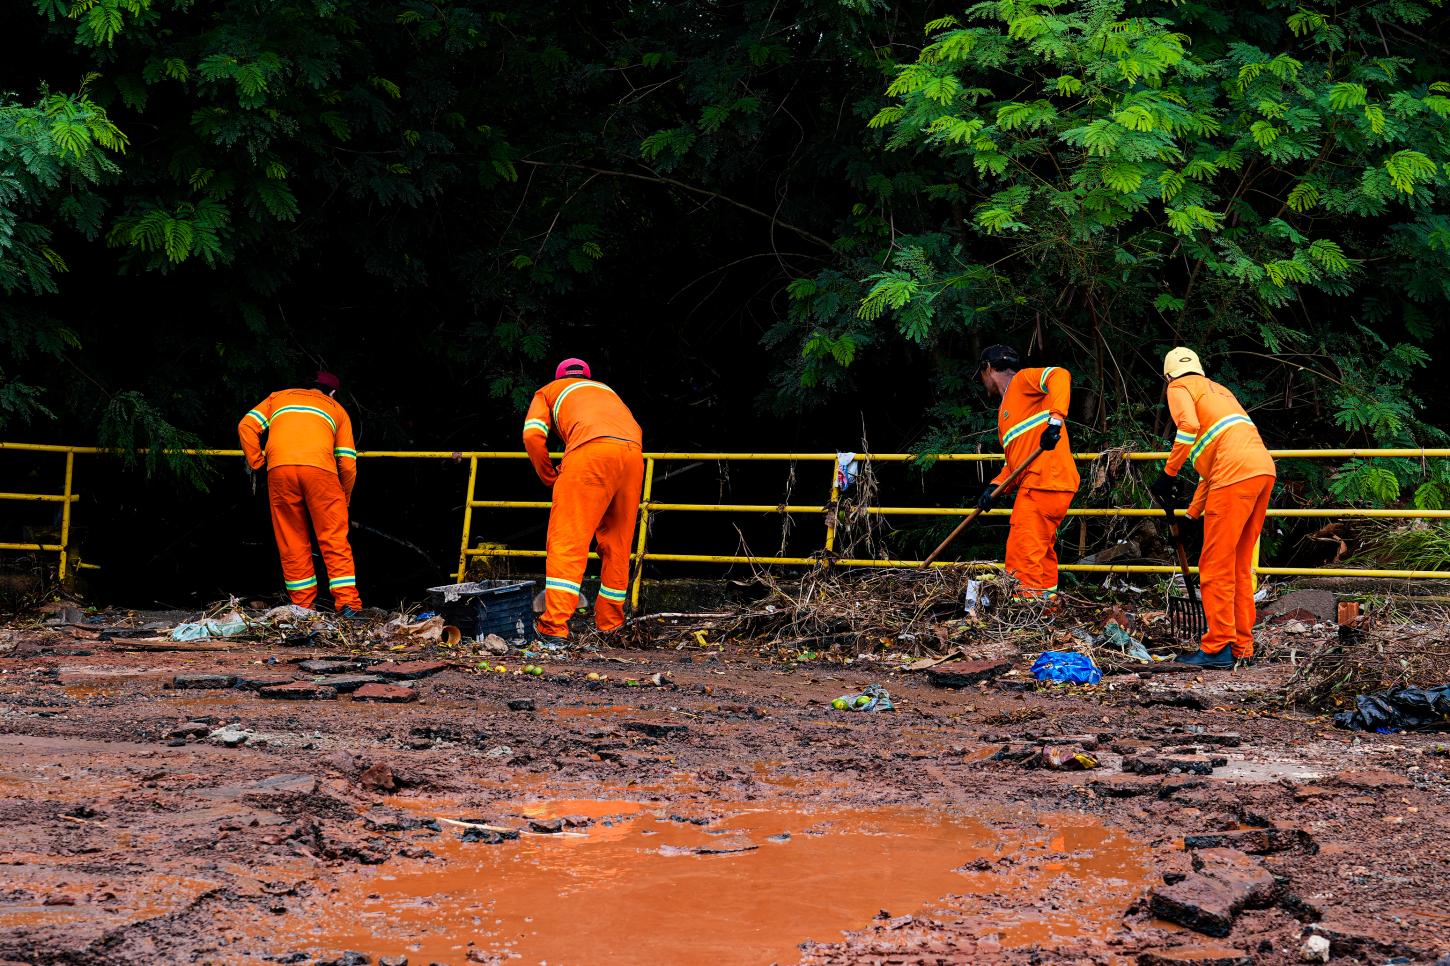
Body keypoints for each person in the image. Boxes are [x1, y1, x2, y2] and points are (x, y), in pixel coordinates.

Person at [1149, 347, 1276, 669]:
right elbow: (1211, 470)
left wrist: (1168, 474)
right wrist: (1192, 515)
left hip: (1233, 476)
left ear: (1167, 376)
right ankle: (1242, 647)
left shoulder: (1178, 387)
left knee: (1215, 565)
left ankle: (1217, 646)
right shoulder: (1219, 391)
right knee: (1237, 565)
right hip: (1261, 471)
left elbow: (1188, 427)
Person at [523, 358, 644, 645]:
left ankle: (553, 627)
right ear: (588, 376)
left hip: (590, 452)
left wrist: (548, 475)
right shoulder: (606, 390)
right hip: (633, 456)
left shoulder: (549, 391)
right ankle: (611, 625)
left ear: (559, 376)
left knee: (568, 540)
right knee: (618, 543)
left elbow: (532, 435)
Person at [237, 369, 362, 615]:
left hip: (280, 470)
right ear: (333, 393)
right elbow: (347, 461)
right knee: (333, 538)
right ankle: (348, 604)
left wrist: (257, 461)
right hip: (321, 473)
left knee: (291, 538)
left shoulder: (278, 398)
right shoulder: (336, 409)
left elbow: (246, 425)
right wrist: (344, 498)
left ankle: (303, 605)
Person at [976, 345, 1079, 603]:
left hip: (1043, 481)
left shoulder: (1022, 381)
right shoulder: (1006, 412)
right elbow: (1015, 463)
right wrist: (995, 486)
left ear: (988, 369)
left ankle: (1026, 617)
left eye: (981, 375)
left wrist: (1055, 422)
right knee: (1041, 553)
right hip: (1049, 482)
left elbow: (1060, 374)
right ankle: (1046, 609)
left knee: (1023, 553)